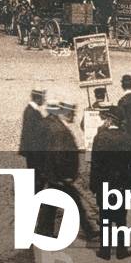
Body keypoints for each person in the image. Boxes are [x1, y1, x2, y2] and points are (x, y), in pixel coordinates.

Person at [37, 100, 97, 240]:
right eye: (71, 113)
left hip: (57, 175)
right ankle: (88, 230)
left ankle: (43, 230)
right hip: (61, 176)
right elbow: (59, 154)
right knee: (74, 203)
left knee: (53, 203)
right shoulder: (60, 130)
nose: (73, 116)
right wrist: (65, 175)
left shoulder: (58, 126)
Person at [90, 103, 131, 260]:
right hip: (122, 185)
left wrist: (94, 186)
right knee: (121, 218)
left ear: (110, 120)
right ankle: (121, 250)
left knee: (105, 217)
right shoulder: (129, 139)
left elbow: (95, 165)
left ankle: (105, 251)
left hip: (104, 185)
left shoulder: (100, 138)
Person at [18, 89, 47, 187]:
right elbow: (34, 135)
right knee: (37, 179)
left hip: (32, 152)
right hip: (34, 153)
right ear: (38, 98)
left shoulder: (31, 110)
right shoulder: (32, 112)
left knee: (37, 178)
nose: (44, 100)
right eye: (43, 97)